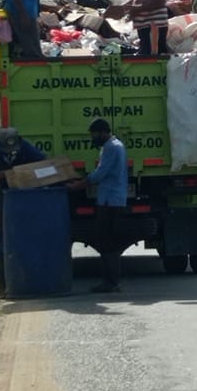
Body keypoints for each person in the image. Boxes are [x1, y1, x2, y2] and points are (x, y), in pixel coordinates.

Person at [0, 127, 47, 293]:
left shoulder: (26, 148)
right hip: (2, 198)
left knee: (26, 237)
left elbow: (43, 164)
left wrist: (25, 172)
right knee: (0, 237)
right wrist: (4, 174)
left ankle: (28, 281)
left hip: (24, 197)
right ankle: (3, 285)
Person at [76, 118, 128, 293]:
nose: (93, 138)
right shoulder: (117, 145)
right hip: (114, 198)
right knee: (110, 240)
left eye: (95, 134)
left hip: (109, 201)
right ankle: (111, 281)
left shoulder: (111, 147)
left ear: (103, 132)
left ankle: (111, 282)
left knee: (107, 241)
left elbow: (100, 173)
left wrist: (80, 184)